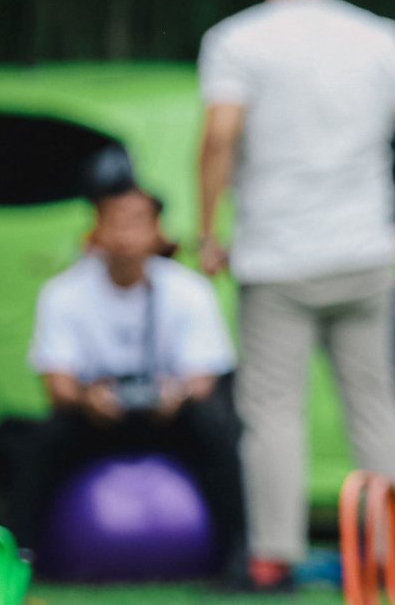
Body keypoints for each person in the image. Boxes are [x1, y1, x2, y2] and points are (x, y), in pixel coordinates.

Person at [193, 0, 395, 591]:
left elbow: (221, 134)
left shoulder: (237, 40)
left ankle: (272, 556)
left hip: (275, 254)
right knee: (375, 403)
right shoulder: (375, 37)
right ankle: (391, 554)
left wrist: (207, 228)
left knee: (273, 409)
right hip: (363, 251)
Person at [16, 180, 246, 571]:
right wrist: (89, 399)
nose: (124, 235)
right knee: (41, 439)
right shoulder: (63, 292)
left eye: (136, 222)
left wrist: (174, 395)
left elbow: (205, 378)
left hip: (169, 417)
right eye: (114, 222)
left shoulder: (189, 291)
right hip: (96, 418)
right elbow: (57, 383)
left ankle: (236, 556)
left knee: (218, 428)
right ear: (94, 231)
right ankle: (24, 556)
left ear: (158, 232)